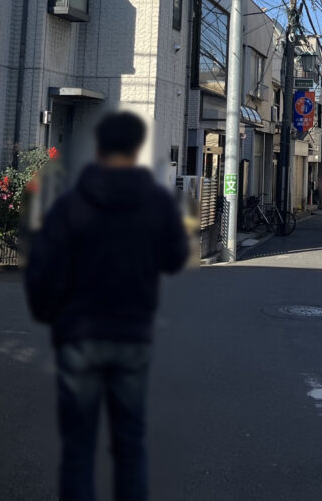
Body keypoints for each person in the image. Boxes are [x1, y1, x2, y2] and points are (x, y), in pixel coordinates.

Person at [25, 111, 190, 501]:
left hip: (78, 335)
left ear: (98, 148)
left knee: (78, 449)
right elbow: (174, 257)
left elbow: (41, 269)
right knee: (129, 444)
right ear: (136, 150)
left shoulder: (70, 204)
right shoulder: (156, 203)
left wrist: (50, 315)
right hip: (132, 334)